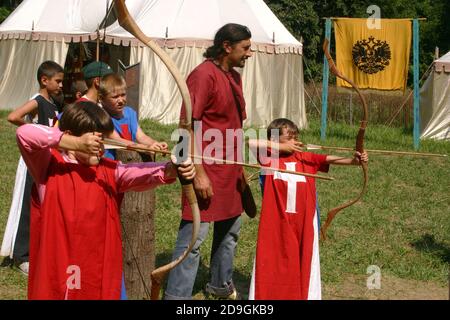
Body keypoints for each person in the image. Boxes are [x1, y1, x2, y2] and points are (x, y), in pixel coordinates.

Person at [16, 101, 195, 300]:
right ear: (70, 135)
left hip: (97, 270)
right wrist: (74, 142)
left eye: (103, 141)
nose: (100, 148)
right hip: (59, 270)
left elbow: (143, 174)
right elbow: (25, 134)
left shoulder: (111, 171)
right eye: (94, 141)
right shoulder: (48, 168)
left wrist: (173, 168)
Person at [164, 23, 252, 300]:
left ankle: (219, 285)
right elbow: (185, 124)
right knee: (194, 239)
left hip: (229, 169)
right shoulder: (203, 76)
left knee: (229, 233)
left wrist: (240, 168)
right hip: (205, 167)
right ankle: (177, 297)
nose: (249, 54)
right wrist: (197, 173)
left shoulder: (233, 77)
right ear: (227, 46)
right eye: (245, 48)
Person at [247, 118, 368, 300]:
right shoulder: (269, 159)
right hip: (276, 223)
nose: (295, 141)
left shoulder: (306, 158)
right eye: (290, 137)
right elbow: (251, 142)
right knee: (272, 261)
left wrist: (356, 160)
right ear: (274, 140)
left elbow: (332, 159)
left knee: (304, 262)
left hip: (303, 223)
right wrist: (280, 148)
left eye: (296, 137)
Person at [1, 60, 64, 276]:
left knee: (41, 204)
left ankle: (35, 249)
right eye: (58, 81)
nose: (61, 85)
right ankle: (21, 255)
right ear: (44, 80)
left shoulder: (53, 105)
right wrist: (35, 130)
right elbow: (13, 116)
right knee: (26, 205)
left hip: (45, 159)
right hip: (31, 159)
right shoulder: (37, 101)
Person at [98, 73, 168, 159]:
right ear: (102, 99)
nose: (120, 100)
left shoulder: (129, 113)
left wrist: (154, 144)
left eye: (123, 95)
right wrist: (145, 148)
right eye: (115, 97)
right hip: (112, 163)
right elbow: (118, 141)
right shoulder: (102, 118)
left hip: (131, 159)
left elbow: (141, 136)